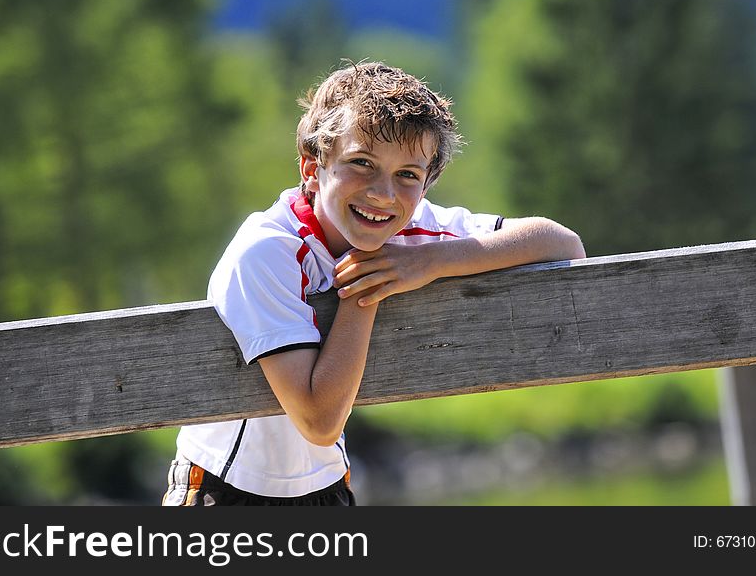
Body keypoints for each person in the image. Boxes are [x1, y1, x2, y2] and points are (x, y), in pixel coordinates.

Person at [162, 60, 585, 506]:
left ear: (426, 185)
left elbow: (563, 244)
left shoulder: (416, 233)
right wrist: (367, 283)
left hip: (328, 486)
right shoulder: (267, 251)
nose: (383, 194)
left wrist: (433, 260)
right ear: (311, 168)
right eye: (361, 163)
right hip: (224, 491)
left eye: (408, 174)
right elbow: (319, 423)